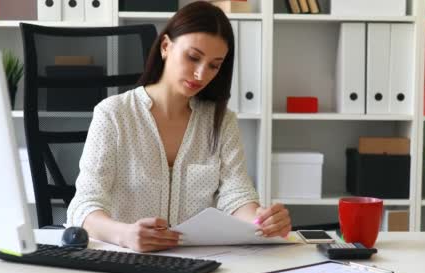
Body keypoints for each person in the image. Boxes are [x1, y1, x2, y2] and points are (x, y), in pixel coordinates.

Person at [67, 1, 291, 253]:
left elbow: (236, 195)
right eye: (193, 57)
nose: (200, 75)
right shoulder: (113, 114)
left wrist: (263, 221)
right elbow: (84, 204)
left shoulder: (221, 121)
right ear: (165, 46)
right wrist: (125, 235)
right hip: (125, 260)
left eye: (214, 65)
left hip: (195, 261)